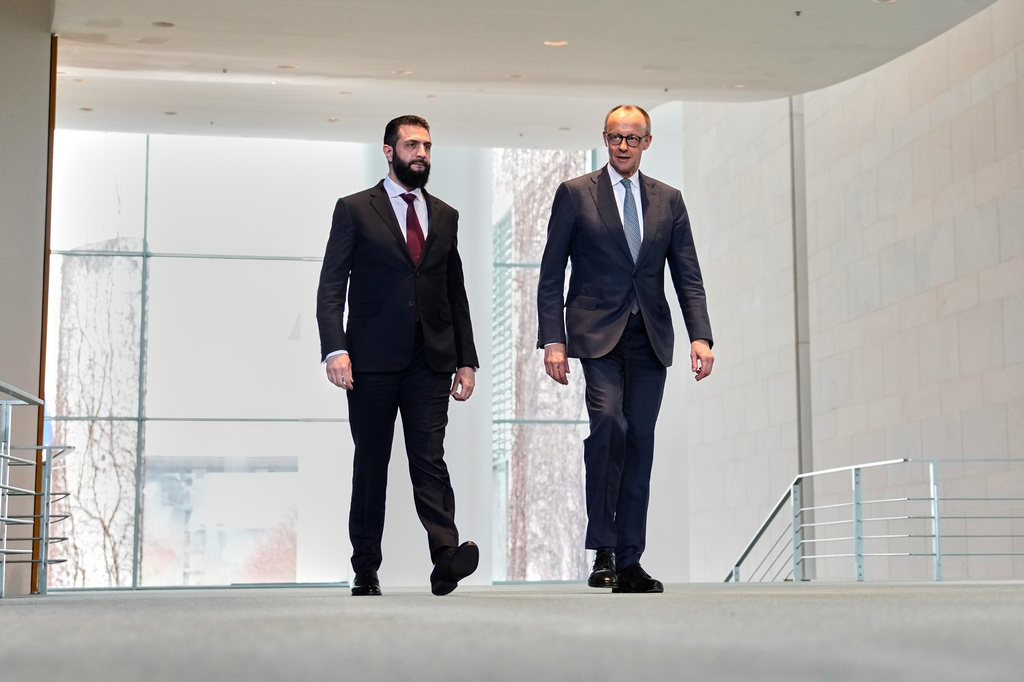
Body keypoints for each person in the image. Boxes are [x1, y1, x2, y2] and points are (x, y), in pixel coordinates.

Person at [537, 105, 714, 593]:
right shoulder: (576, 194)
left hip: (649, 338)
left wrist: (700, 335)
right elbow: (551, 274)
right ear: (604, 138)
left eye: (632, 138)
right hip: (596, 336)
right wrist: (553, 339)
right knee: (609, 425)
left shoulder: (669, 200)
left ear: (647, 142)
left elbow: (688, 275)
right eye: (615, 137)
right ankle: (604, 550)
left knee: (640, 441)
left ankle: (631, 560)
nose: (623, 146)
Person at [317, 115, 480, 596]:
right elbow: (332, 284)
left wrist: (466, 360)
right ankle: (365, 568)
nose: (421, 153)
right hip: (370, 361)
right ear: (389, 151)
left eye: (426, 145)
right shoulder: (354, 209)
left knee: (430, 461)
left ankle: (445, 559)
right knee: (371, 464)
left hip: (431, 360)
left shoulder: (445, 215)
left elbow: (455, 290)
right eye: (411, 145)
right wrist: (335, 348)